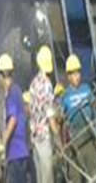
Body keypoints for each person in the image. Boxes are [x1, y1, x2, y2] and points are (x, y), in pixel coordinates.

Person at [61, 54, 96, 183]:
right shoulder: (65, 96)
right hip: (75, 138)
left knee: (94, 171)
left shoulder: (86, 89)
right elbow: (61, 118)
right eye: (73, 74)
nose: (76, 76)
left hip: (89, 135)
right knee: (76, 175)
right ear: (68, 76)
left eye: (78, 72)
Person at [0, 54, 30, 183]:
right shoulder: (16, 91)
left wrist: (3, 142)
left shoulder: (12, 92)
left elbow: (13, 119)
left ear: (1, 75)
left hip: (16, 152)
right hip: (20, 152)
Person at [29, 45, 58, 183]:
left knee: (40, 178)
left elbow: (31, 110)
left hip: (35, 138)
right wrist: (57, 135)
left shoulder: (33, 84)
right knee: (48, 178)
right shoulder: (47, 84)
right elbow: (50, 113)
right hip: (44, 137)